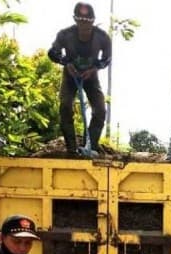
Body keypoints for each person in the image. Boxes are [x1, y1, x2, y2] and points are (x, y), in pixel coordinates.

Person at [48, 2, 112, 154]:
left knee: (100, 109)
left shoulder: (102, 37)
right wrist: (66, 63)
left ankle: (91, 145)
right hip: (70, 76)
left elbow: (107, 58)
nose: (84, 25)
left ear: (93, 20)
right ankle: (71, 148)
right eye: (81, 20)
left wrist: (95, 68)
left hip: (91, 76)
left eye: (88, 21)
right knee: (65, 105)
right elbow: (52, 52)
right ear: (75, 20)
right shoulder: (65, 35)